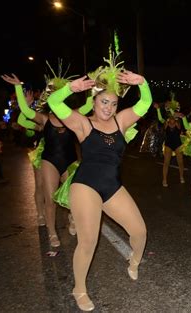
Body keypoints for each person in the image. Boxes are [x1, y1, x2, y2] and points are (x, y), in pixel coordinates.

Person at [47, 54, 151, 310]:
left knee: (140, 232)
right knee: (88, 241)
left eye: (114, 104)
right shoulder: (82, 123)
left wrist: (143, 82)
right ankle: (79, 289)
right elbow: (53, 102)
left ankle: (134, 262)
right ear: (93, 102)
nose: (109, 108)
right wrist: (70, 88)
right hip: (85, 186)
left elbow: (146, 104)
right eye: (104, 102)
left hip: (113, 186)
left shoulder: (121, 121)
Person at [1, 69, 90, 246]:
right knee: (50, 198)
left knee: (74, 197)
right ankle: (51, 232)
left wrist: (90, 88)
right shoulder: (43, 119)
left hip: (70, 161)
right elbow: (25, 111)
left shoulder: (73, 116)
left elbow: (89, 105)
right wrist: (19, 88)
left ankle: (73, 217)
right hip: (50, 161)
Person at [155, 93, 185, 187]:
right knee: (166, 163)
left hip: (178, 144)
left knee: (180, 162)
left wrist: (172, 108)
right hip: (168, 144)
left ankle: (181, 176)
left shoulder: (177, 122)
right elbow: (160, 119)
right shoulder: (166, 122)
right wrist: (158, 109)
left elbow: (177, 121)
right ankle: (164, 180)